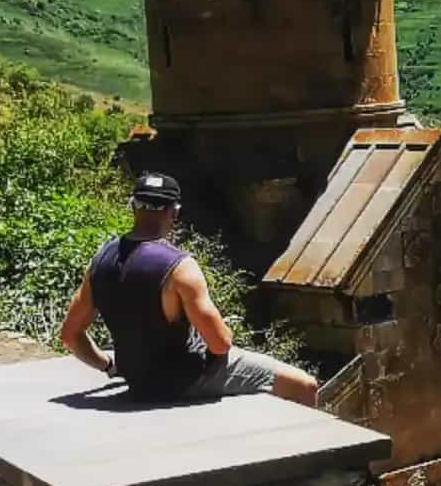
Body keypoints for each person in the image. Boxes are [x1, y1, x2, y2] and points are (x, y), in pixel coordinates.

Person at [59, 171, 319, 406]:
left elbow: (70, 335)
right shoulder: (179, 266)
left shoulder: (102, 259)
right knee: (304, 385)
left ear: (132, 207)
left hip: (139, 382)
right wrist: (224, 327)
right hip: (186, 380)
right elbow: (220, 344)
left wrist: (109, 366)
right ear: (174, 212)